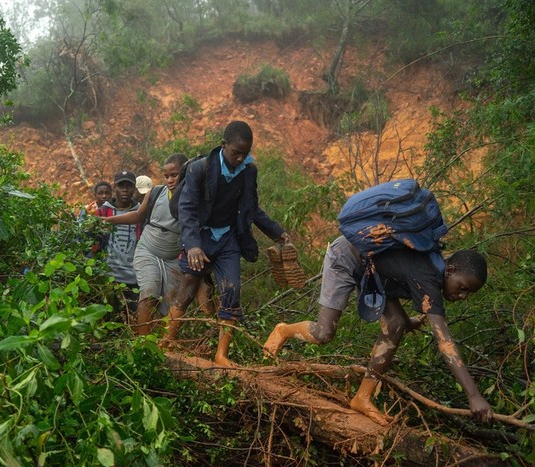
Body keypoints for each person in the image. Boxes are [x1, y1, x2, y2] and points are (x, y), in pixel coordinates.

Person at [263, 236, 493, 425]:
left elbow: (398, 271)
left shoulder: (433, 269)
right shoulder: (429, 276)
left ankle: (362, 398)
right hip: (348, 257)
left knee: (397, 324)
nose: (462, 296)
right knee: (323, 333)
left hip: (374, 272)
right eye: (462, 287)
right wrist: (474, 396)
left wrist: (404, 319)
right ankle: (283, 330)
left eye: (468, 293)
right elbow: (445, 343)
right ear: (450, 270)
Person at [162, 120, 292, 367]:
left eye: (245, 153)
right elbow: (187, 208)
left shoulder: (248, 170)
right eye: (236, 152)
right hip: (200, 237)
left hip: (229, 238)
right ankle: (165, 341)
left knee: (232, 290)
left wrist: (277, 232)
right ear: (224, 145)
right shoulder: (200, 168)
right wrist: (192, 246)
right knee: (188, 290)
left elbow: (251, 208)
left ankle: (221, 355)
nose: (240, 158)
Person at [105, 154, 217, 335]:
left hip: (172, 258)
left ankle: (163, 343)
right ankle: (143, 343)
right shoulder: (157, 192)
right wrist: (108, 220)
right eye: (167, 176)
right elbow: (138, 216)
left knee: (169, 302)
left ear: (187, 173)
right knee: (149, 292)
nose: (170, 180)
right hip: (148, 250)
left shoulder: (196, 198)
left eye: (175, 175)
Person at [96, 170, 142, 319]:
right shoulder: (103, 211)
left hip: (134, 277)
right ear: (115, 187)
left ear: (134, 188)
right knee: (109, 318)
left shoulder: (141, 212)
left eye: (129, 186)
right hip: (109, 276)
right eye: (121, 185)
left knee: (131, 318)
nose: (125, 189)